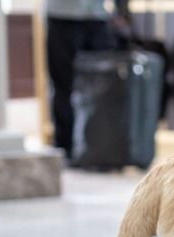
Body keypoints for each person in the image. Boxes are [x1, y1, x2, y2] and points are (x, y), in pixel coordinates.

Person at [45, 0, 130, 158]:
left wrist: (122, 11)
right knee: (63, 86)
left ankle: (102, 148)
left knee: (104, 88)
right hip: (62, 16)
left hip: (96, 17)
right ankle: (66, 149)